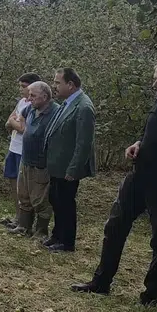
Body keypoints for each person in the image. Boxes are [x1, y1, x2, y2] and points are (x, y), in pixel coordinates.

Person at [73, 62, 157, 305]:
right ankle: (100, 282)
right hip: (140, 175)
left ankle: (151, 295)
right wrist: (138, 144)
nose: (154, 85)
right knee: (114, 227)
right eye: (155, 79)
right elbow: (154, 132)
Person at [43, 67, 96, 252]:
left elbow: (84, 144)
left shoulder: (84, 107)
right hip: (57, 165)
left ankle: (67, 242)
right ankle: (57, 235)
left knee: (66, 203)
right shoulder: (67, 102)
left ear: (71, 85)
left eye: (58, 83)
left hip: (68, 168)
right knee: (56, 199)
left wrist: (73, 169)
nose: (54, 86)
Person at [10, 80, 59, 240]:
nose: (29, 98)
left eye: (33, 95)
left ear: (44, 97)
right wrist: (21, 125)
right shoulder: (30, 108)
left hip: (42, 163)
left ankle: (41, 232)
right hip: (26, 159)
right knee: (23, 194)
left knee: (40, 199)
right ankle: (24, 226)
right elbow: (18, 117)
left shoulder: (56, 112)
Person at [0, 72, 43, 228]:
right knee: (13, 184)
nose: (21, 90)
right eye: (20, 86)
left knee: (25, 188)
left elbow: (23, 128)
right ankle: (17, 217)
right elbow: (8, 122)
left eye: (24, 87)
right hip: (13, 147)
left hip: (24, 151)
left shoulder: (34, 106)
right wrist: (12, 122)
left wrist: (13, 122)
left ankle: (27, 222)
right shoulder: (21, 102)